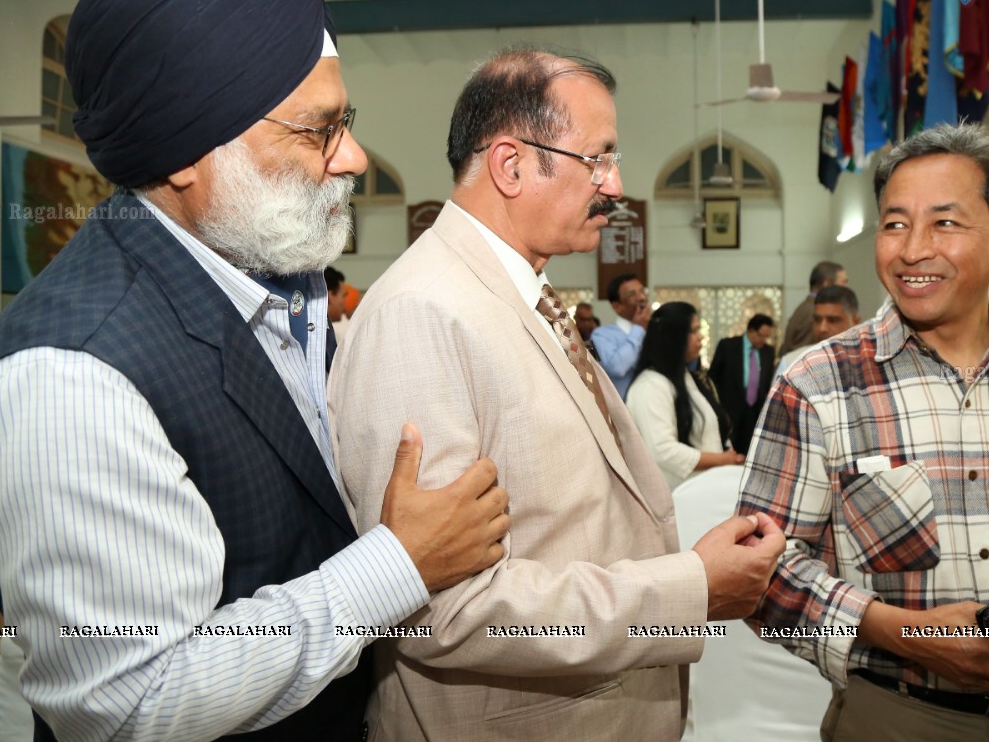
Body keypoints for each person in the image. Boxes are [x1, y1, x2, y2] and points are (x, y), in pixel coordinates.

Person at [0, 0, 509, 739]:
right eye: (318, 132)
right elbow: (129, 704)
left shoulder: (279, 270)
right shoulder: (74, 373)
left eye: (348, 122)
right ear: (184, 157)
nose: (354, 159)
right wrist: (398, 567)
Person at [328, 47, 785, 742]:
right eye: (596, 159)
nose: (617, 184)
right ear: (511, 165)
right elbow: (444, 612)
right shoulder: (423, 313)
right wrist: (691, 588)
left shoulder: (518, 292)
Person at [738, 124, 989, 742]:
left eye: (945, 224)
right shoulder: (818, 383)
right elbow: (762, 577)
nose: (912, 250)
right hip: (896, 719)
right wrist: (899, 632)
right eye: (895, 223)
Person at [626, 302, 743, 489]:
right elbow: (663, 450)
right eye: (694, 331)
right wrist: (720, 460)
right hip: (677, 496)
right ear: (673, 337)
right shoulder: (650, 386)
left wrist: (728, 456)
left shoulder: (686, 377)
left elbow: (713, 427)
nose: (701, 337)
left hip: (705, 487)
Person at [710, 313, 777, 453]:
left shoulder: (768, 352)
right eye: (761, 335)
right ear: (751, 330)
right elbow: (712, 378)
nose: (764, 340)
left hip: (754, 412)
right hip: (730, 410)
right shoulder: (727, 346)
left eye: (767, 337)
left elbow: (767, 382)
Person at [590, 272, 651, 399]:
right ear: (617, 306)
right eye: (632, 294)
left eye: (642, 291)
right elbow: (617, 368)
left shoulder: (655, 331)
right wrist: (638, 328)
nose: (641, 298)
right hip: (626, 411)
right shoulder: (601, 335)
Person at [776, 285, 862, 373]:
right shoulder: (792, 363)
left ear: (855, 322)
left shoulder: (868, 362)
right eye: (817, 320)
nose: (822, 328)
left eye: (833, 320)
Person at [778, 261, 848, 358]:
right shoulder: (814, 312)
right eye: (843, 282)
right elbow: (804, 356)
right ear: (827, 283)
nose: (846, 288)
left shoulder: (806, 307)